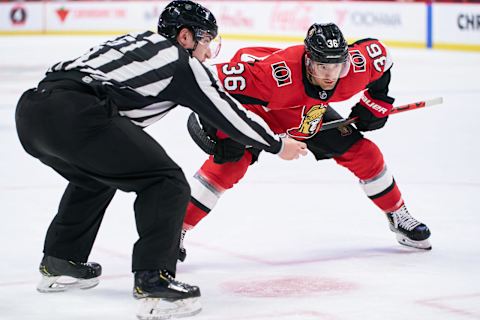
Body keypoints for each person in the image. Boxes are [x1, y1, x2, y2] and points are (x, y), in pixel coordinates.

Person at [14, 0, 307, 318]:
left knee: (95, 177)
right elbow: (226, 111)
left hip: (32, 112)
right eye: (206, 41)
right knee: (166, 182)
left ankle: (62, 260)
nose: (209, 53)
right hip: (76, 114)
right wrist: (276, 144)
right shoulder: (182, 63)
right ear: (185, 37)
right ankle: (154, 280)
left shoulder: (139, 42)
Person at [180, 22, 432, 262]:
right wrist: (224, 133)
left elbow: (382, 56)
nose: (330, 75)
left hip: (310, 111)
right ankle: (175, 231)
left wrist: (376, 102)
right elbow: (207, 83)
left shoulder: (355, 67)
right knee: (228, 166)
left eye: (336, 67)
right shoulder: (272, 76)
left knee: (365, 154)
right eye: (322, 67)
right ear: (308, 61)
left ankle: (398, 215)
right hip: (258, 109)